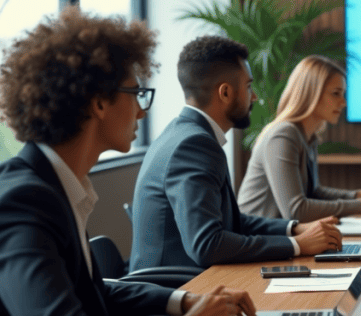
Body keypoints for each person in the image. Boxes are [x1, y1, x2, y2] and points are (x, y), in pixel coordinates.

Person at [0, 7, 255, 316]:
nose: (142, 113)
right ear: (99, 102)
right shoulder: (21, 200)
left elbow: (96, 294)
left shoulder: (53, 184)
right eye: (136, 94)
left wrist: (185, 301)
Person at [129, 36, 341, 272]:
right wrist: (296, 245)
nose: (254, 97)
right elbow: (207, 244)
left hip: (197, 280)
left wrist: (293, 229)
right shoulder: (194, 145)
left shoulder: (185, 134)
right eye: (249, 87)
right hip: (177, 288)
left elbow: (232, 222)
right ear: (226, 93)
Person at [237, 55, 361, 221]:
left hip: (282, 238)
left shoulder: (308, 137)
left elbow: (313, 192)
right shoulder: (282, 136)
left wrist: (356, 196)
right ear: (311, 93)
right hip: (258, 241)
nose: (343, 102)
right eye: (336, 94)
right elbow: (296, 210)